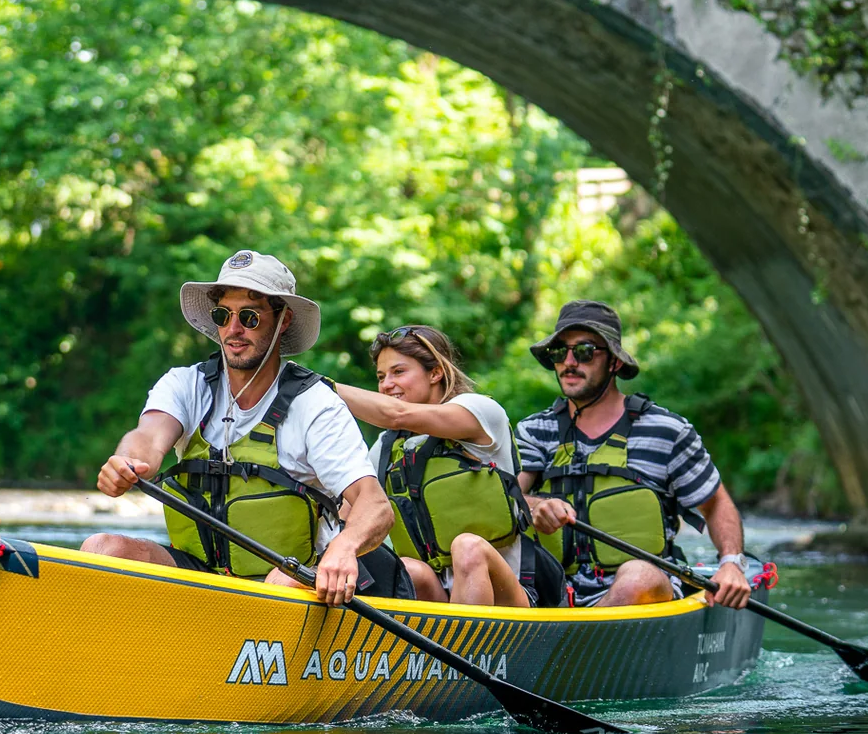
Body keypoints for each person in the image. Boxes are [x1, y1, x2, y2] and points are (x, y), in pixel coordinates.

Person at [81, 250, 405, 606]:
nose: (233, 330)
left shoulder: (315, 404)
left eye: (249, 317)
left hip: (291, 577)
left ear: (283, 320)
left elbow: (376, 507)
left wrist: (344, 549)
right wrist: (127, 461)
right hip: (202, 575)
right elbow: (146, 438)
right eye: (223, 315)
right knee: (102, 549)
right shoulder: (186, 384)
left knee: (281, 583)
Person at [515, 300, 753, 609]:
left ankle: (571, 648)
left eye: (584, 351)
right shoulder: (534, 430)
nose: (569, 362)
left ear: (614, 362)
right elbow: (508, 497)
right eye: (560, 352)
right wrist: (537, 505)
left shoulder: (667, 430)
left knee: (636, 577)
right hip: (550, 590)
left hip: (641, 589)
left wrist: (732, 563)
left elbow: (716, 503)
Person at [328, 325, 539, 607]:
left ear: (436, 372)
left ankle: (465, 648)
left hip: (508, 599)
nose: (386, 384)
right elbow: (345, 518)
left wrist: (320, 388)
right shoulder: (387, 447)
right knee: (408, 569)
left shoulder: (480, 413)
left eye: (398, 372)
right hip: (438, 599)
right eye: (381, 376)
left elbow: (396, 415)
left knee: (468, 547)